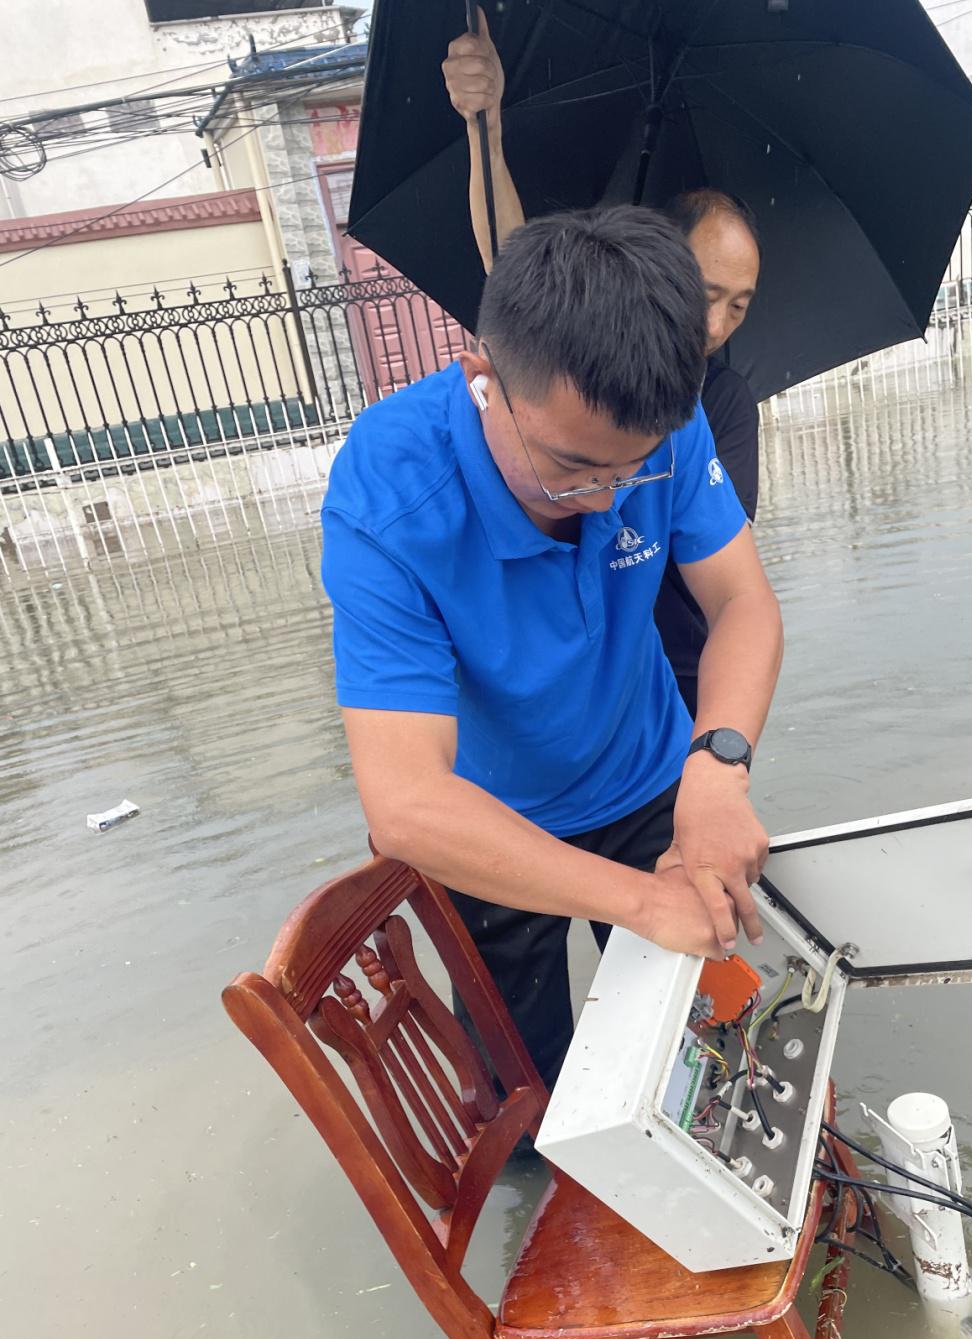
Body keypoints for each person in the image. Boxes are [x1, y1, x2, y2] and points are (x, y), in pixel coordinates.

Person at [321, 206, 783, 1088]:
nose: (607, 499)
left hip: (649, 781)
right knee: (518, 1095)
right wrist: (639, 900)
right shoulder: (389, 492)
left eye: (633, 468)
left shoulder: (669, 417)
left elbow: (742, 603)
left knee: (714, 1068)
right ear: (482, 380)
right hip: (489, 828)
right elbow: (406, 805)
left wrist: (719, 768)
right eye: (570, 468)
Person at [442, 8, 763, 717]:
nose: (713, 326)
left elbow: (730, 577)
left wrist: (722, 746)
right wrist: (485, 133)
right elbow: (515, 272)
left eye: (739, 306)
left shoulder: (718, 406)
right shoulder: (412, 472)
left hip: (680, 683)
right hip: (574, 689)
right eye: (706, 293)